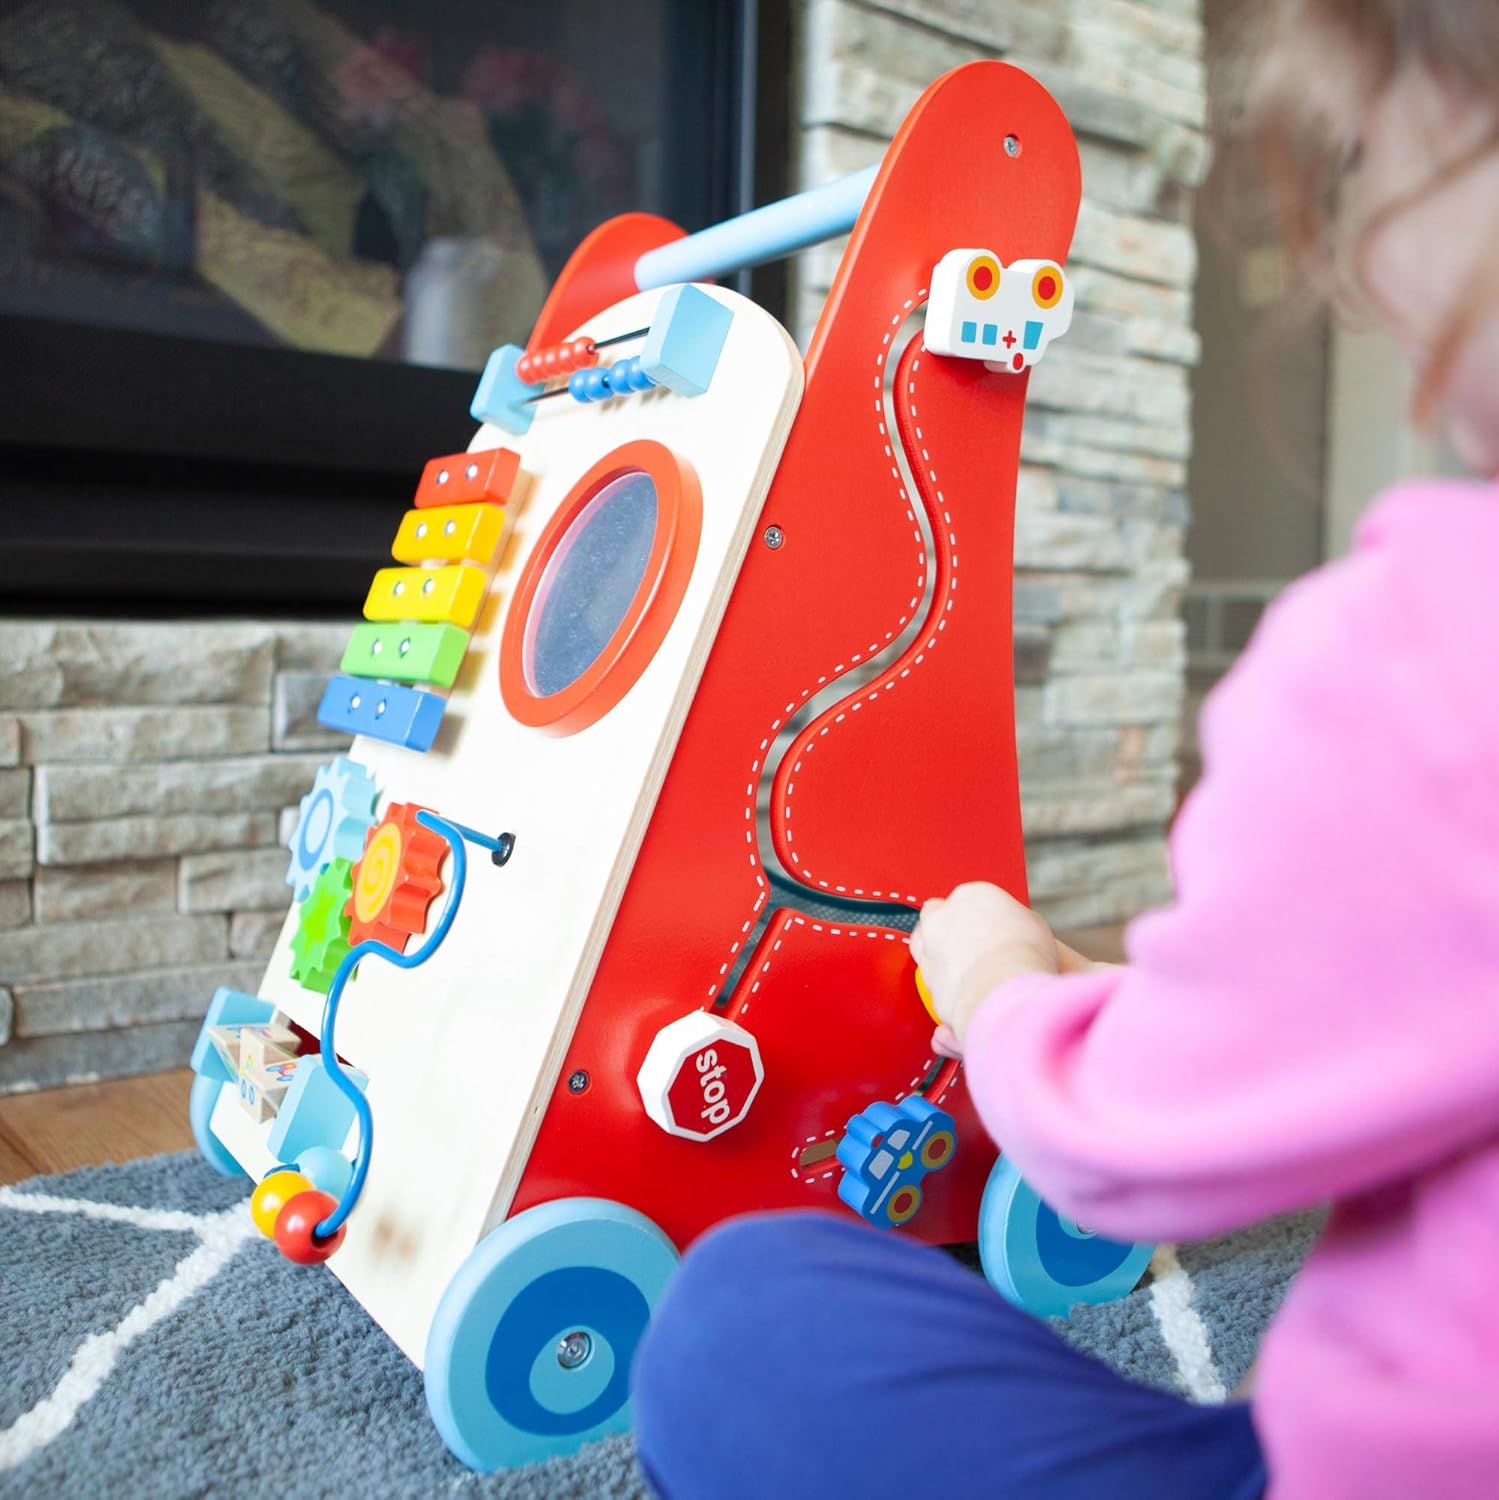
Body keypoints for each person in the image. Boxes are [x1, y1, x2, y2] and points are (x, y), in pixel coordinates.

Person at [631, 3, 1499, 1495]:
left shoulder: (1424, 653)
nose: (1354, 259)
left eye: (1365, 155)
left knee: (739, 1317)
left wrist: (998, 993)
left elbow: (1130, 1139)